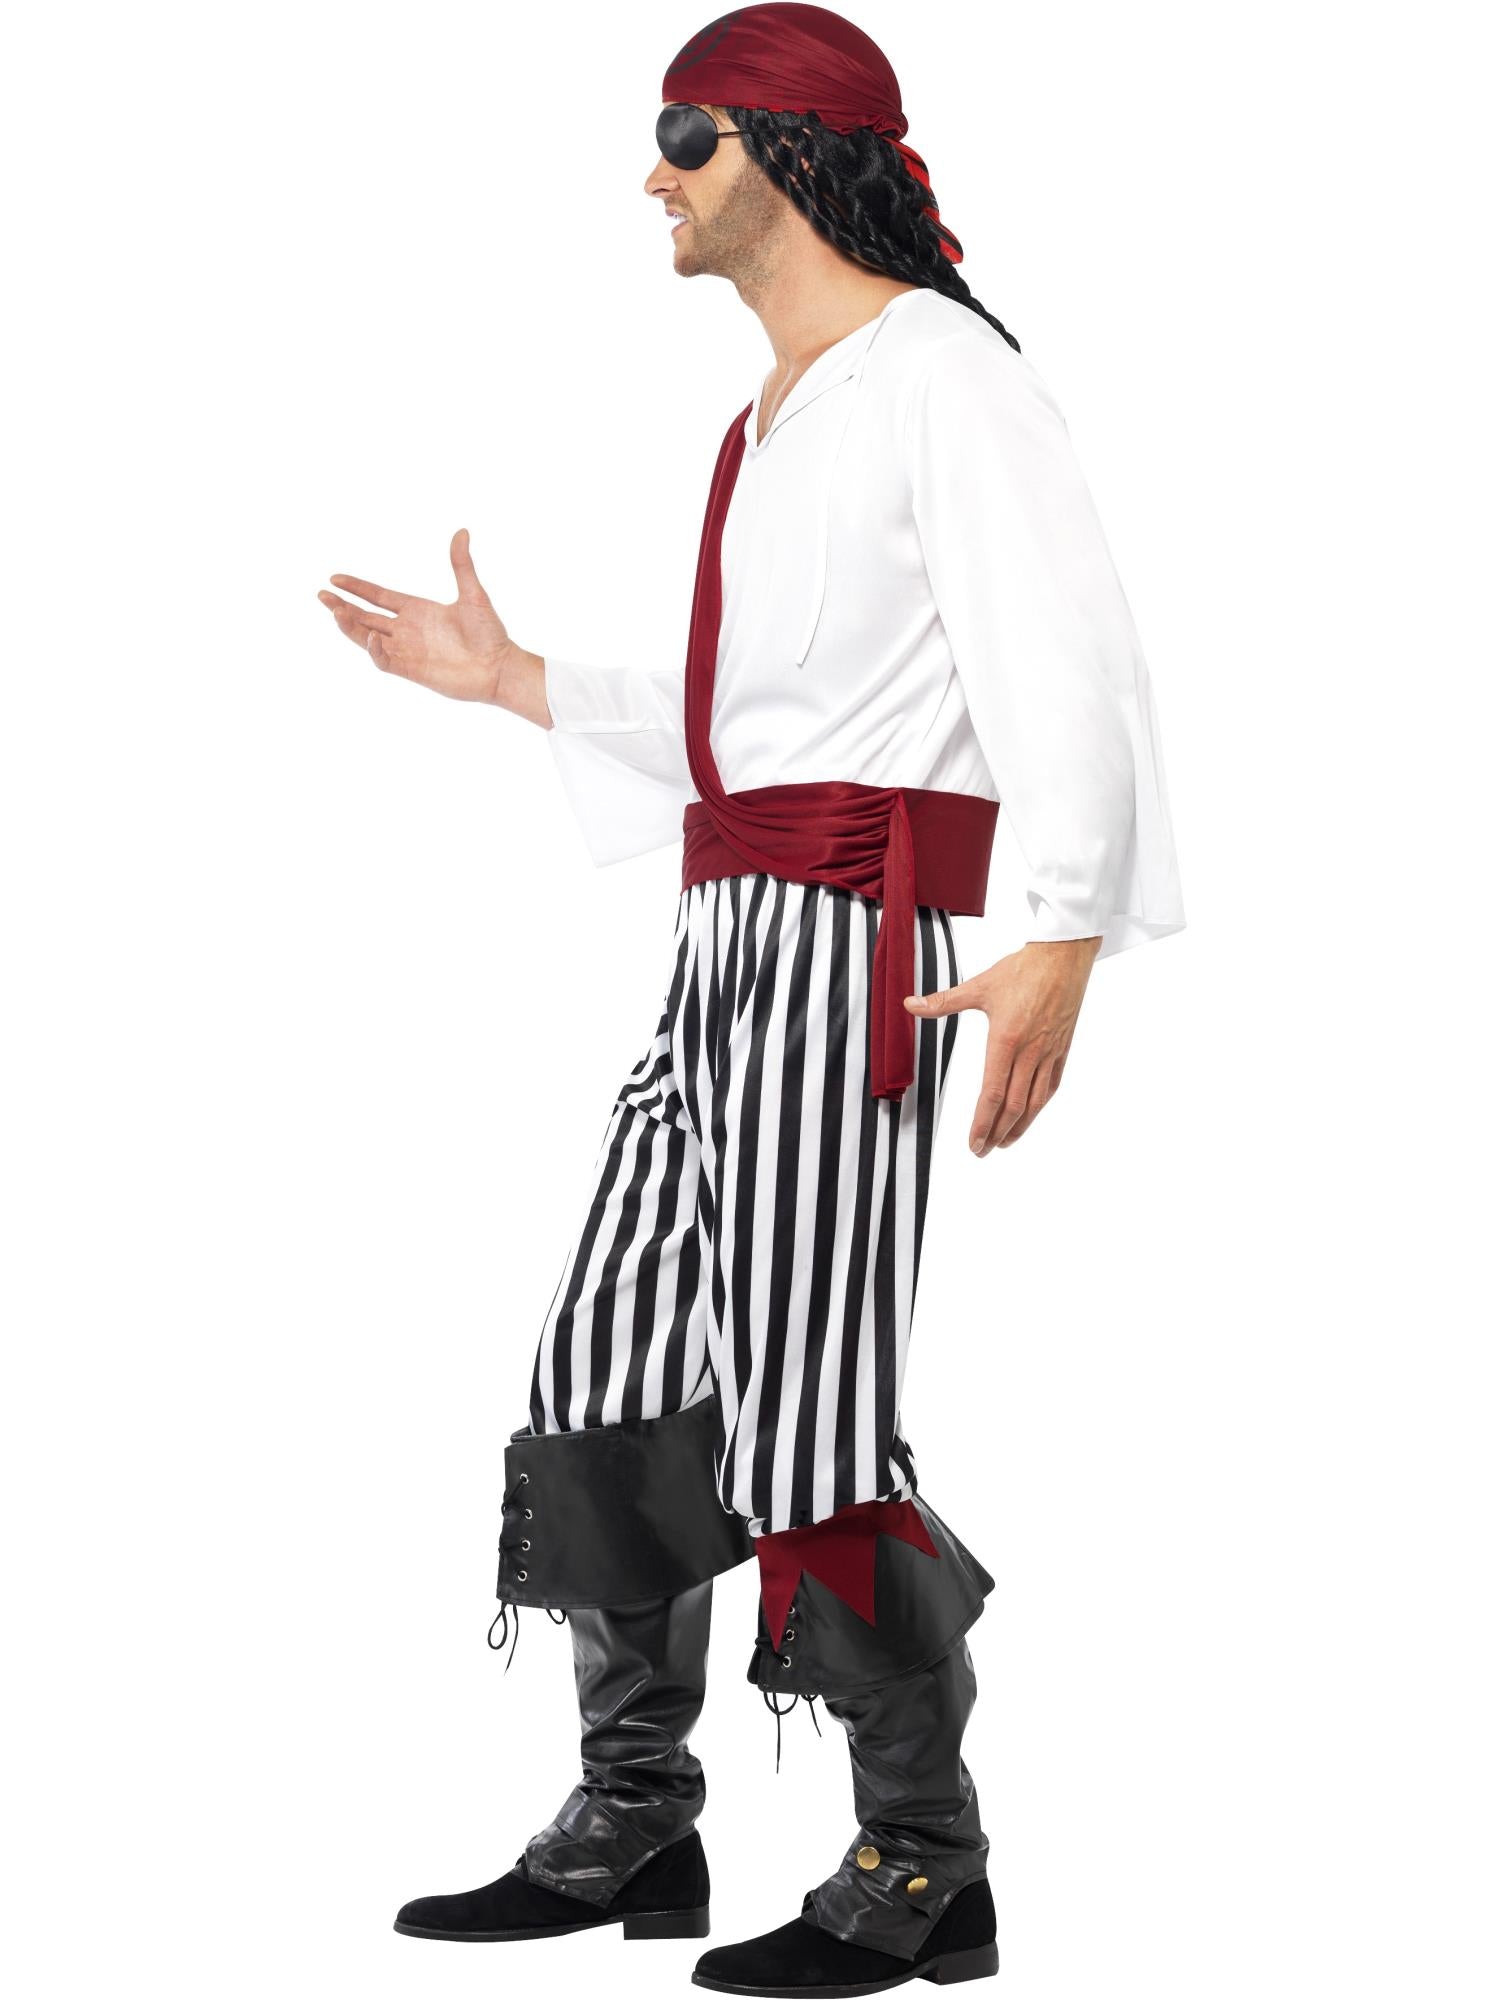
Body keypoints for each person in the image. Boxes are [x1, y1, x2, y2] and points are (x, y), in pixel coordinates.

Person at [316, 6, 1184, 1992]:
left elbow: (1068, 658)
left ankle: (926, 1857)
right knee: (603, 1364)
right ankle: (637, 1814)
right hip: (721, 943)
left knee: (808, 1414)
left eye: (686, 135)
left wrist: (1060, 933)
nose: (655, 173)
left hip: (849, 950)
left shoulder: (946, 378)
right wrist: (520, 682)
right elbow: (759, 725)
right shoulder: (776, 413)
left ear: (790, 149)